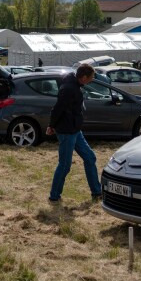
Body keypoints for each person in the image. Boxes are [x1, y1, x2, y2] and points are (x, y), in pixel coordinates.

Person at [47, 64, 102, 203]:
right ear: (83, 77)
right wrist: (51, 125)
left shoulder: (75, 84)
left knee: (90, 157)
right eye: (90, 78)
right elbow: (58, 108)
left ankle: (97, 191)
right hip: (66, 131)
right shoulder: (69, 89)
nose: (91, 80)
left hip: (75, 130)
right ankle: (54, 196)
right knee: (65, 165)